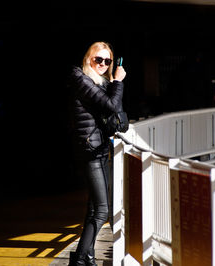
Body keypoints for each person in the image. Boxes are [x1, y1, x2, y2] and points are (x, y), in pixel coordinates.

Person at [67, 41, 126, 265]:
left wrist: (112, 83)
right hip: (91, 151)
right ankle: (80, 258)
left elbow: (116, 116)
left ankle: (87, 256)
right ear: (88, 59)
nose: (102, 64)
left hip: (99, 148)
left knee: (93, 208)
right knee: (103, 210)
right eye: (97, 59)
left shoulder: (99, 82)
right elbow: (111, 106)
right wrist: (118, 82)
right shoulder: (82, 80)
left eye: (107, 61)